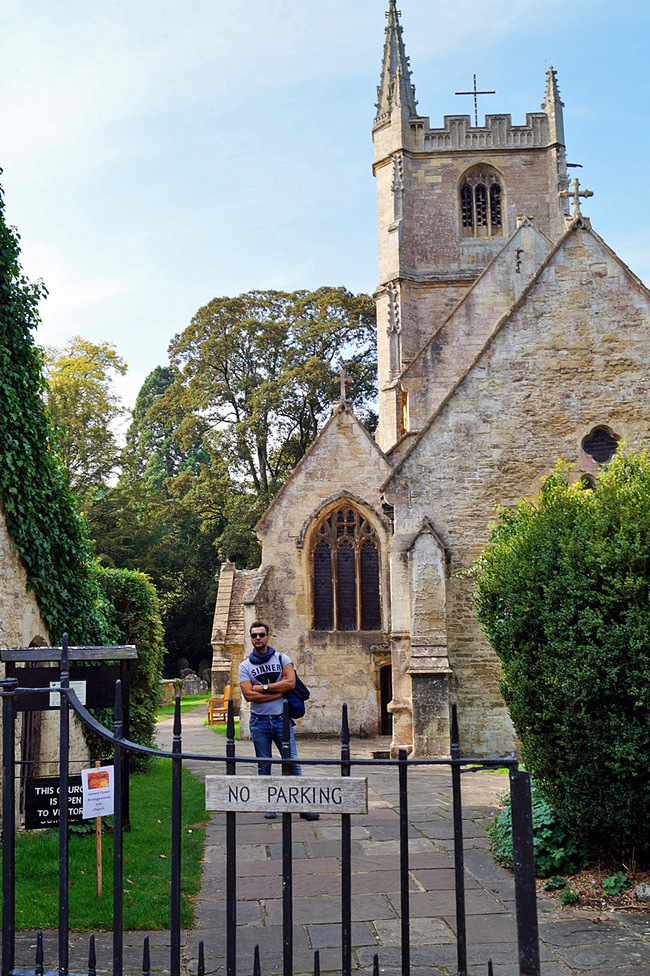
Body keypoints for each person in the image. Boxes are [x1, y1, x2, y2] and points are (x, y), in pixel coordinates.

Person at [238, 621, 319, 821]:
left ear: (268, 636)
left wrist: (263, 688)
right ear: (251, 638)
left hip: (281, 720)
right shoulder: (244, 666)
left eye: (261, 634)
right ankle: (270, 805)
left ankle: (303, 806)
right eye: (254, 635)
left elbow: (290, 683)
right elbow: (248, 695)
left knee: (292, 763)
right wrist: (277, 692)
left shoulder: (282, 658)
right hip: (259, 722)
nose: (258, 638)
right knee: (264, 765)